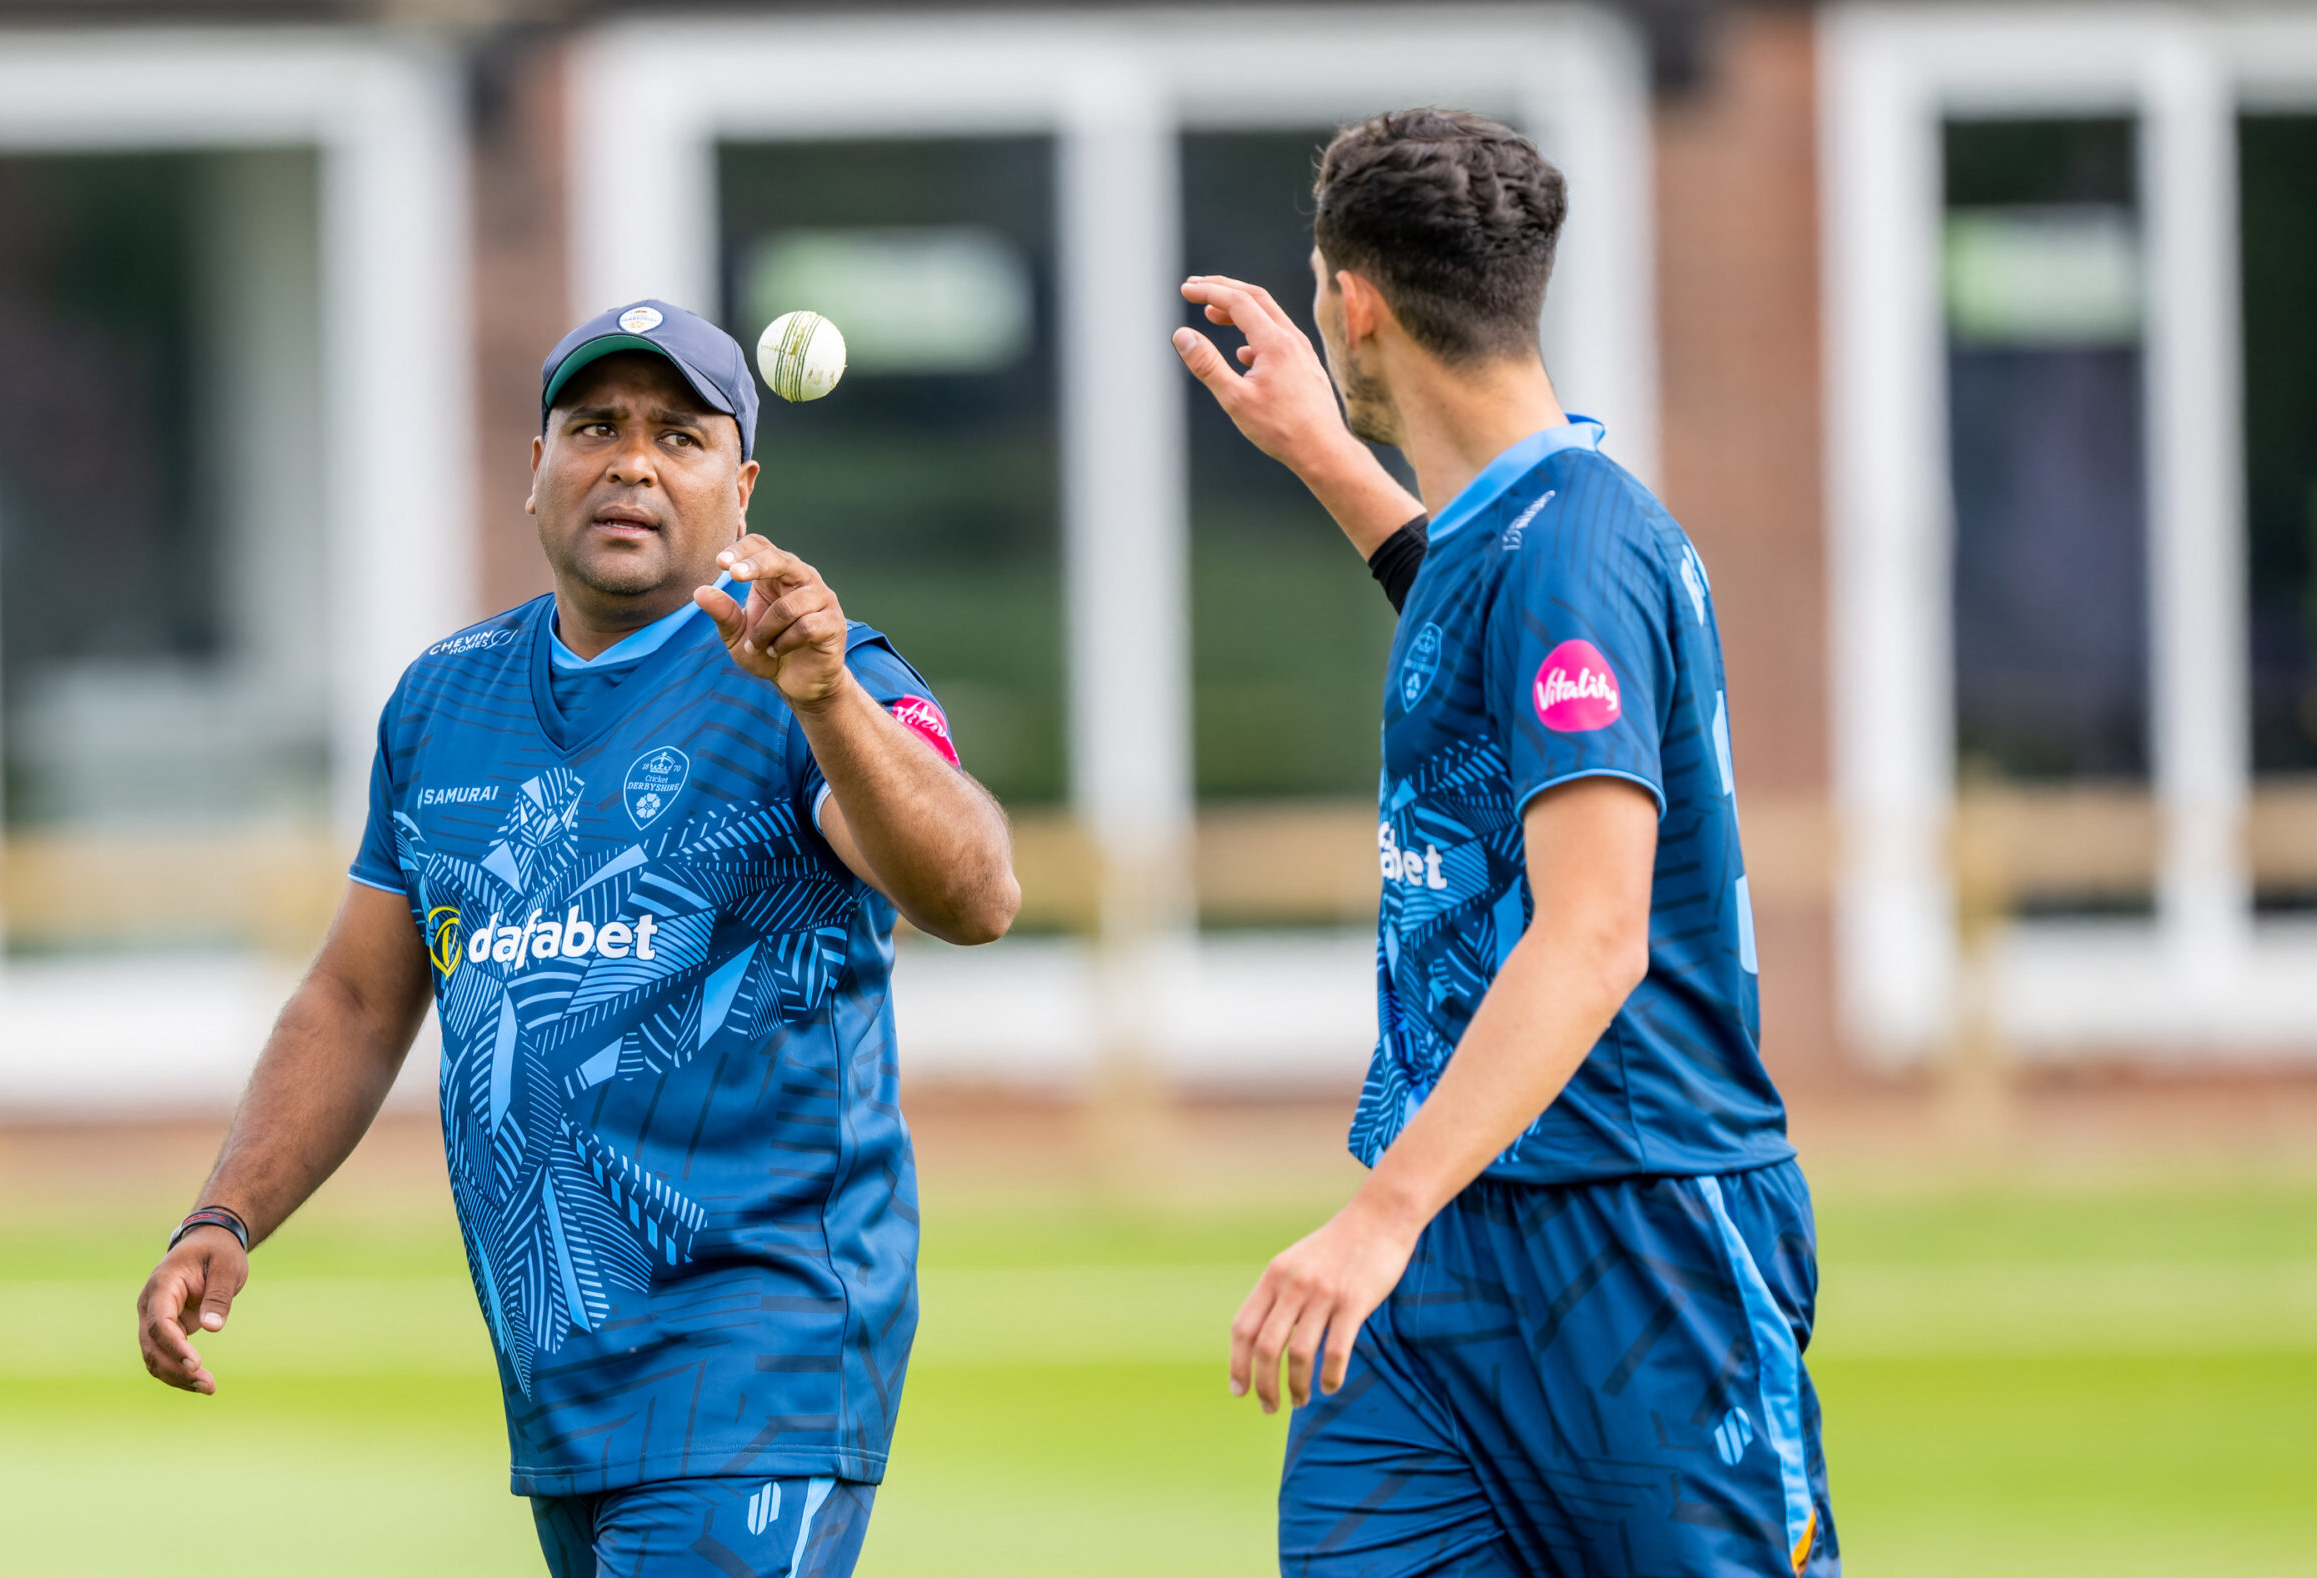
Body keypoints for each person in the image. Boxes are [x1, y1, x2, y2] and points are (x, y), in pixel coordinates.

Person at [134, 299, 1019, 1578]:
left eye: (680, 436)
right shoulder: (445, 696)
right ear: (536, 467)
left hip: (760, 1362)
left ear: (741, 490)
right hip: (564, 1379)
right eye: (595, 427)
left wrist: (826, 698)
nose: (632, 463)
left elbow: (976, 895)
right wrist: (226, 1213)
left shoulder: (814, 677)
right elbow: (358, 1001)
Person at [1173, 110, 1836, 1576]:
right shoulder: (1510, 533)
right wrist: (1324, 453)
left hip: (1635, 1227)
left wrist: (1377, 1216)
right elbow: (1475, 617)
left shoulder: (1577, 550)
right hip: (1448, 1246)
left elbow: (1594, 935)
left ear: (1353, 303)